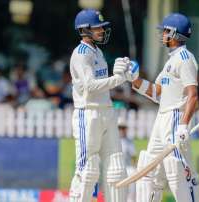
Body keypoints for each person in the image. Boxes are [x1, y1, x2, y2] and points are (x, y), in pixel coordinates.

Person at [124, 13, 199, 201]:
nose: (162, 34)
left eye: (166, 31)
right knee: (150, 169)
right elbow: (156, 93)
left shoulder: (185, 58)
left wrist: (184, 125)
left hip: (176, 117)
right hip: (163, 117)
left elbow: (193, 95)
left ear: (175, 34)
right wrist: (134, 80)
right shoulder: (170, 61)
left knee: (177, 170)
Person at [68, 9, 128, 202]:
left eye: (102, 27)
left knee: (116, 167)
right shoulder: (80, 54)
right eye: (97, 28)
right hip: (89, 113)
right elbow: (91, 86)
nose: (102, 31)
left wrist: (121, 74)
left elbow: (103, 85)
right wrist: (118, 79)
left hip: (106, 111)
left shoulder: (98, 51)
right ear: (85, 30)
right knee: (88, 170)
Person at [118, 117, 136, 202]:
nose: (121, 130)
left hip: (127, 168)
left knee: (132, 172)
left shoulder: (129, 141)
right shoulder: (114, 141)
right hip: (117, 168)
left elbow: (133, 157)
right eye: (120, 128)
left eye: (123, 128)